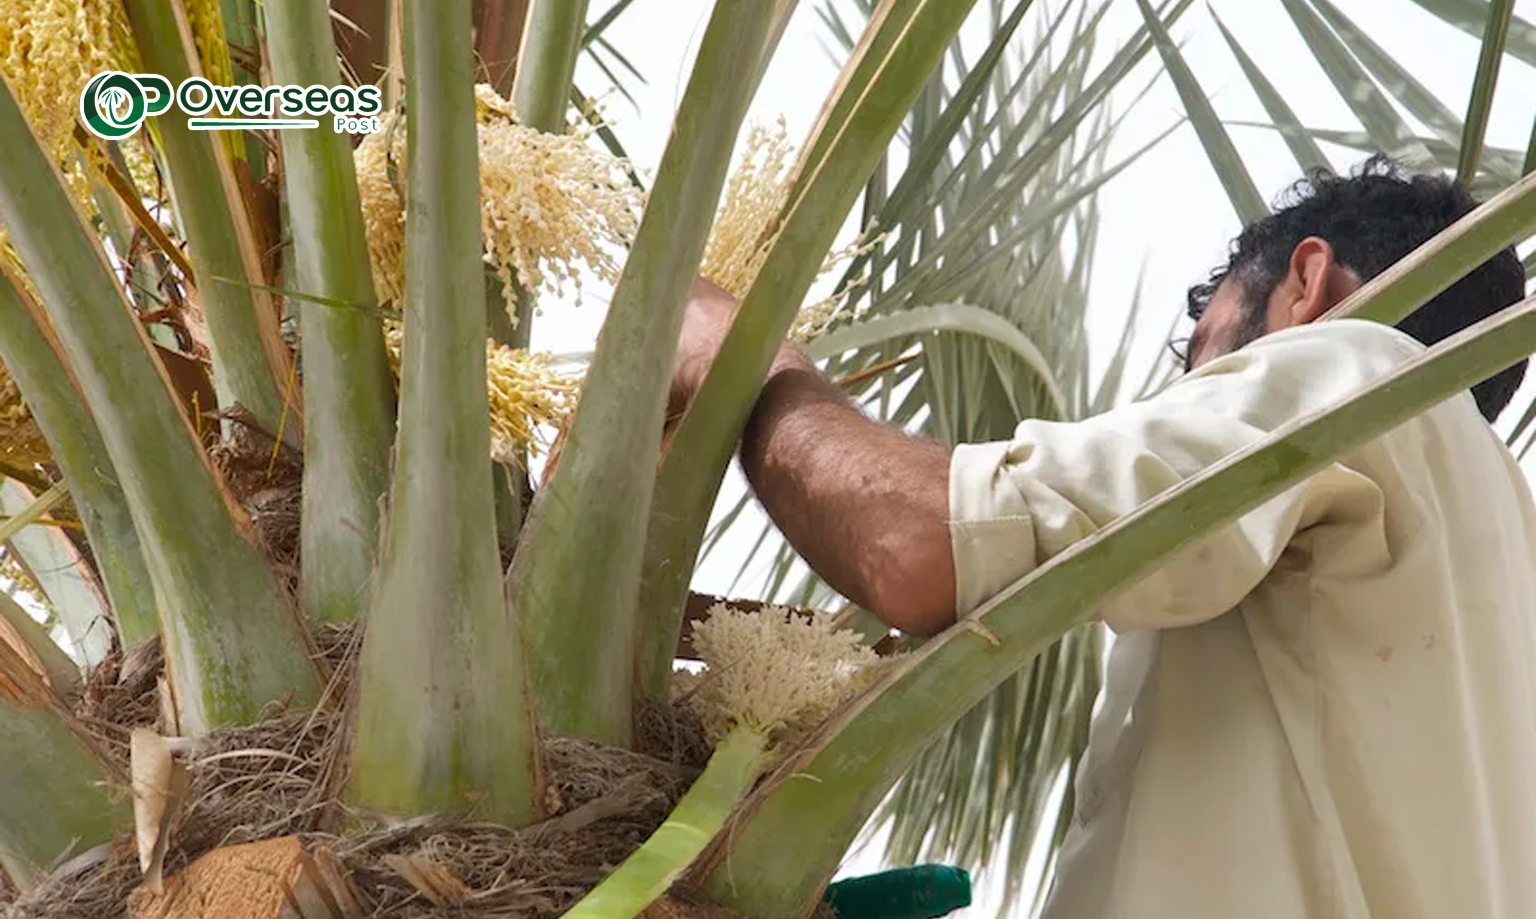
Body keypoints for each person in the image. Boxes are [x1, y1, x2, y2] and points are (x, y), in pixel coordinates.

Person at [668, 157, 1536, 918]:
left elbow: (920, 547)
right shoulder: (1504, 586)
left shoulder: (1354, 366)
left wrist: (741, 361)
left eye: (1203, 357)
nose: (1196, 392)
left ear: (1306, 285)